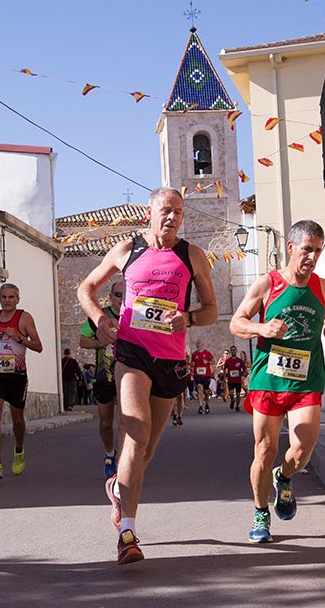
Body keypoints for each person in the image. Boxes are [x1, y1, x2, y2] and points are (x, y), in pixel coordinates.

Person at [77, 186, 217, 565]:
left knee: (146, 452)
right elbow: (86, 287)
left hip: (170, 362)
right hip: (132, 354)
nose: (172, 218)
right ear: (149, 214)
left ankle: (117, 488)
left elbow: (211, 311)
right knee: (135, 434)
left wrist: (186, 318)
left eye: (178, 212)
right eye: (165, 211)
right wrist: (101, 319)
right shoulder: (128, 250)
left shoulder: (193, 256)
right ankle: (128, 534)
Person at [230, 220, 325, 544]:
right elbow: (237, 323)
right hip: (268, 379)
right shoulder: (268, 284)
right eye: (307, 249)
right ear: (292, 248)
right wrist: (260, 329)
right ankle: (261, 512)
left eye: (318, 251)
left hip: (306, 379)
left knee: (303, 448)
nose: (312, 257)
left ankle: (285, 476)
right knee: (265, 449)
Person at [0, 283, 43, 479]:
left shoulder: (24, 318)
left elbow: (38, 346)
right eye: (4, 297)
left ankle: (19, 450)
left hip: (16, 374)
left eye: (11, 297)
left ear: (18, 299)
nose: (7, 300)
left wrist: (18, 338)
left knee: (17, 419)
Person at [79, 280, 124, 478]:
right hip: (104, 377)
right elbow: (82, 340)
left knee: (126, 422)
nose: (121, 299)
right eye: (117, 295)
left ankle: (125, 460)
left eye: (125, 294)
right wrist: (100, 342)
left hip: (128, 377)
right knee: (106, 422)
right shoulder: (101, 317)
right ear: (111, 296)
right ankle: (109, 454)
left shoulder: (136, 316)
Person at [191, 339, 214, 414]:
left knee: (206, 391)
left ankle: (207, 404)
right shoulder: (194, 354)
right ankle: (200, 406)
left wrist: (207, 362)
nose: (197, 345)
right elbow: (192, 362)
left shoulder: (207, 353)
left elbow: (213, 361)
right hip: (197, 375)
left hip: (206, 375)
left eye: (199, 343)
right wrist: (192, 364)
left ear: (202, 345)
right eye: (197, 343)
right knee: (199, 388)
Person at [223, 346, 247, 411]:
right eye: (232, 350)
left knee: (238, 394)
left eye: (234, 350)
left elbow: (245, 370)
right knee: (231, 393)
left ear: (236, 351)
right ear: (230, 352)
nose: (233, 351)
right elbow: (224, 369)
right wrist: (225, 377)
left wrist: (243, 376)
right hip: (231, 380)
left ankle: (237, 406)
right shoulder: (228, 361)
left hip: (238, 380)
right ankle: (232, 400)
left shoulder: (239, 361)